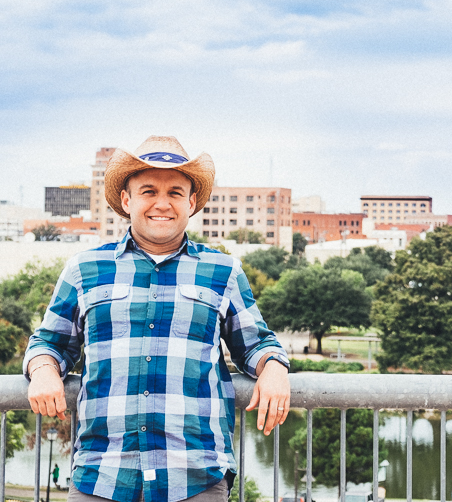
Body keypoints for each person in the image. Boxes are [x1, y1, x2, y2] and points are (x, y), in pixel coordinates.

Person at [24, 136, 290, 502]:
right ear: (127, 200)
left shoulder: (223, 271)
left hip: (196, 476)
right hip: (102, 473)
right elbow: (49, 342)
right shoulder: (84, 269)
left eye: (175, 193)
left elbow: (256, 343)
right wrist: (43, 370)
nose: (162, 203)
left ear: (191, 203)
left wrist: (274, 368)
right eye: (148, 191)